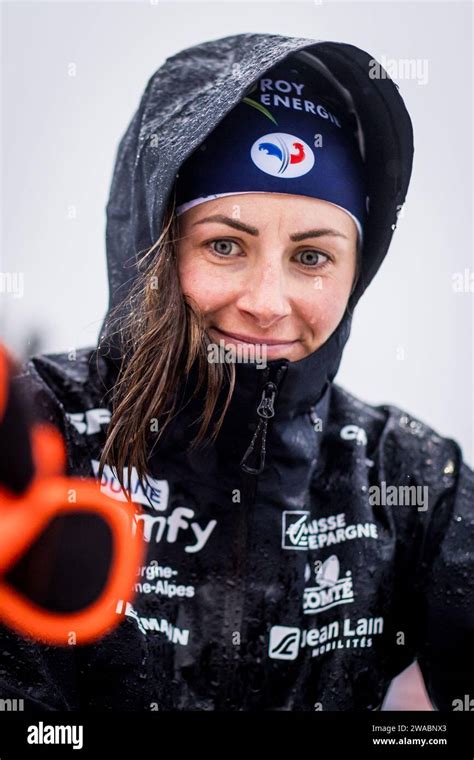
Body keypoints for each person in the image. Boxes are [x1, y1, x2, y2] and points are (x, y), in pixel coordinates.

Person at [2, 32, 473, 712]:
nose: (265, 302)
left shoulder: (413, 482)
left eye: (312, 257)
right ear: (156, 249)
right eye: (225, 245)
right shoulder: (36, 436)